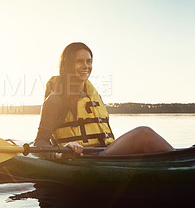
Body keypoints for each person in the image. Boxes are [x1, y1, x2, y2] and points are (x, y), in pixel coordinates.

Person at [34, 42, 174, 159]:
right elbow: (39, 143)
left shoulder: (93, 96)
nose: (86, 66)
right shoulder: (55, 100)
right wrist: (61, 152)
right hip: (87, 158)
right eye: (79, 62)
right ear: (67, 65)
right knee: (144, 134)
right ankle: (181, 161)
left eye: (89, 61)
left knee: (144, 142)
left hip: (105, 153)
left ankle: (180, 160)